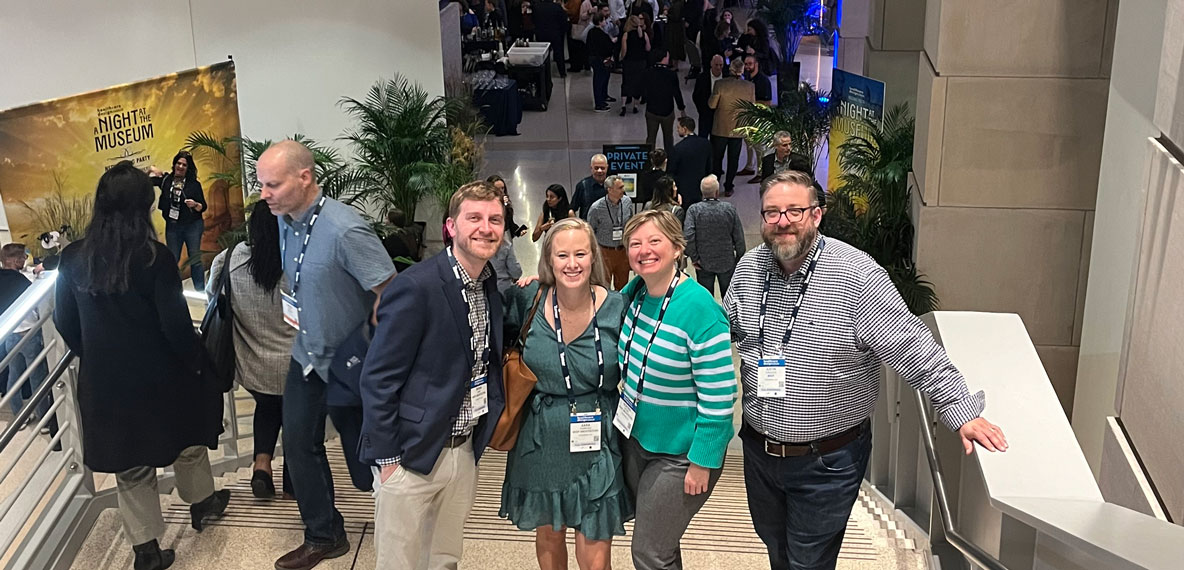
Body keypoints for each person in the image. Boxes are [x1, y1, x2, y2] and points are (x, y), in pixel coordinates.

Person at [723, 170, 1010, 570]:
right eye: (771, 212)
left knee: (808, 561)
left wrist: (960, 409)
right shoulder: (750, 268)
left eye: (794, 211)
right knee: (775, 547)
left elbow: (913, 347)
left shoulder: (856, 276)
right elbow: (726, 329)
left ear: (817, 215)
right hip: (759, 451)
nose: (782, 221)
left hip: (826, 459)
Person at [54, 161, 229, 570]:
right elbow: (174, 326)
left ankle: (146, 550)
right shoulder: (155, 258)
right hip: (161, 376)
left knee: (130, 466)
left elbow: (65, 321)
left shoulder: (73, 258)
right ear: (143, 206)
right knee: (188, 437)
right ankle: (202, 503)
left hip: (106, 382)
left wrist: (96, 354)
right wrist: (198, 363)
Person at [259, 140, 396, 570]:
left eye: (272, 184)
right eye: (261, 184)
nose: (264, 194)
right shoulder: (285, 219)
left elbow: (390, 294)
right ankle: (323, 534)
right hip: (307, 356)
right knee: (299, 443)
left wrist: (371, 353)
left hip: (350, 365)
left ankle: (402, 523)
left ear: (305, 178)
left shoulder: (345, 229)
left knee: (367, 461)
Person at [360, 181, 508, 569]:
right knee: (400, 562)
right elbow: (377, 379)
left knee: (443, 558)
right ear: (450, 226)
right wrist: (389, 460)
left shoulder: (488, 284)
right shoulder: (416, 287)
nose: (485, 227)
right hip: (410, 455)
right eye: (473, 218)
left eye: (495, 219)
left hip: (462, 451)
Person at [500, 218, 633, 570]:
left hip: (598, 433)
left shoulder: (617, 306)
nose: (571, 263)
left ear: (593, 257)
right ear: (548, 260)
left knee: (596, 531)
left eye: (580, 254)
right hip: (540, 438)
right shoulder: (526, 298)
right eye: (562, 255)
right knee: (549, 532)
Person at [616, 209, 737, 570]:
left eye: (655, 241)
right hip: (639, 441)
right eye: (635, 243)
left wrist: (703, 461)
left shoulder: (700, 308)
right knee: (662, 544)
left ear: (677, 247)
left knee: (649, 552)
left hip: (681, 454)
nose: (644, 250)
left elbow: (719, 397)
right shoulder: (635, 294)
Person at [207, 201, 297, 500]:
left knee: (268, 406)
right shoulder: (299, 261)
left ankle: (262, 467)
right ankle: (294, 479)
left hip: (253, 361)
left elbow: (213, 298)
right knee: (296, 416)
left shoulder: (229, 259)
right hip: (296, 361)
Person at [0, 244, 50, 434]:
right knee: (37, 375)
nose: (24, 261)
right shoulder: (21, 281)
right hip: (29, 332)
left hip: (10, 334)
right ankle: (43, 418)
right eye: (21, 258)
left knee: (14, 376)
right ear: (12, 261)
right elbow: (37, 306)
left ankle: (18, 415)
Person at [149, 151, 208, 291]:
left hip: (192, 226)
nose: (180, 167)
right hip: (173, 227)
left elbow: (203, 206)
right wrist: (150, 170)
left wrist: (194, 204)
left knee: (195, 260)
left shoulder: (194, 185)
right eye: (178, 163)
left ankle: (201, 292)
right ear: (174, 164)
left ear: (188, 168)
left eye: (184, 165)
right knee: (172, 260)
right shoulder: (166, 180)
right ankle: (173, 292)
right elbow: (147, 181)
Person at [683, 175, 744, 297]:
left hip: (703, 262)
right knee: (729, 298)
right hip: (727, 262)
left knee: (706, 299)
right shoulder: (729, 209)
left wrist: (694, 257)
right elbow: (739, 237)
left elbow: (688, 236)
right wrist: (738, 257)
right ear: (717, 192)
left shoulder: (694, 210)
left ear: (702, 192)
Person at [709, 58, 755, 197]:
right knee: (733, 159)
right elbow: (751, 107)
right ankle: (728, 186)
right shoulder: (749, 86)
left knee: (717, 158)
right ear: (742, 70)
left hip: (720, 127)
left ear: (730, 69)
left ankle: (715, 185)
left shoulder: (720, 84)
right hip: (738, 128)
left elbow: (712, 105)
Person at [588, 175, 633, 290]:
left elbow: (631, 225)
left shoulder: (627, 202)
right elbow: (590, 232)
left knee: (623, 286)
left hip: (623, 251)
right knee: (603, 286)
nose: (623, 190)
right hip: (604, 252)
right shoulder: (596, 208)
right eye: (620, 187)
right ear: (610, 190)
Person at [642, 51, 687, 152]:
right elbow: (677, 93)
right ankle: (670, 160)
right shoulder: (671, 74)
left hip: (651, 110)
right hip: (667, 111)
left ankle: (649, 161)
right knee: (668, 138)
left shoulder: (648, 72)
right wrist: (681, 108)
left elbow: (643, 90)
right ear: (664, 58)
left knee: (651, 138)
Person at [668, 116, 713, 207]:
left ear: (684, 129)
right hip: (700, 187)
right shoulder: (705, 144)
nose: (677, 130)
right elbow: (709, 166)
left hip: (683, 189)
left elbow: (671, 170)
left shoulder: (678, 148)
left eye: (678, 128)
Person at [742, 54, 774, 182]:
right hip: (748, 116)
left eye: (750, 64)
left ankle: (761, 172)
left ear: (756, 65)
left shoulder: (763, 81)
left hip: (759, 118)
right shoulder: (747, 79)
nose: (747, 67)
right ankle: (749, 166)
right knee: (748, 142)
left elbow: (768, 102)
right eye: (746, 64)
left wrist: (751, 103)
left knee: (758, 146)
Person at [618, 15, 651, 116]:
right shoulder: (644, 35)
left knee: (626, 82)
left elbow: (624, 51)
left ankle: (623, 106)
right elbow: (648, 48)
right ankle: (635, 106)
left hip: (629, 62)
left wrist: (621, 58)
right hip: (641, 62)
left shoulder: (626, 35)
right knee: (638, 83)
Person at [691, 55, 726, 139]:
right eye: (716, 65)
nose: (718, 67)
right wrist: (702, 111)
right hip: (705, 115)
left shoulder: (727, 78)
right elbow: (696, 96)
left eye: (721, 65)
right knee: (703, 140)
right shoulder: (702, 77)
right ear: (711, 64)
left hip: (720, 117)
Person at [587, 11, 615, 112]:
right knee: (600, 80)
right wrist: (612, 42)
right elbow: (607, 47)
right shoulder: (602, 35)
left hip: (593, 58)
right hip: (601, 59)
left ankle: (601, 99)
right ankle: (599, 103)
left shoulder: (591, 32)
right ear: (600, 21)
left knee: (598, 79)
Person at [533, 0, 570, 77]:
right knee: (559, 52)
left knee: (542, 54)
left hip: (541, 34)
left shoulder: (537, 7)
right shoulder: (556, 7)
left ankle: (542, 71)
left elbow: (534, 20)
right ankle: (562, 72)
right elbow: (563, 20)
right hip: (555, 33)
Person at [488, 174, 530, 239]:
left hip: (506, 241)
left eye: (502, 188)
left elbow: (509, 223)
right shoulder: (485, 206)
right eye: (497, 189)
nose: (501, 191)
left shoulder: (505, 204)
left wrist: (518, 230)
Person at [571, 154, 610, 219]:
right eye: (596, 168)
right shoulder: (583, 185)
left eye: (602, 168)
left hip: (610, 228)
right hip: (588, 227)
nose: (599, 171)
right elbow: (571, 210)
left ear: (607, 167)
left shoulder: (614, 185)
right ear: (591, 168)